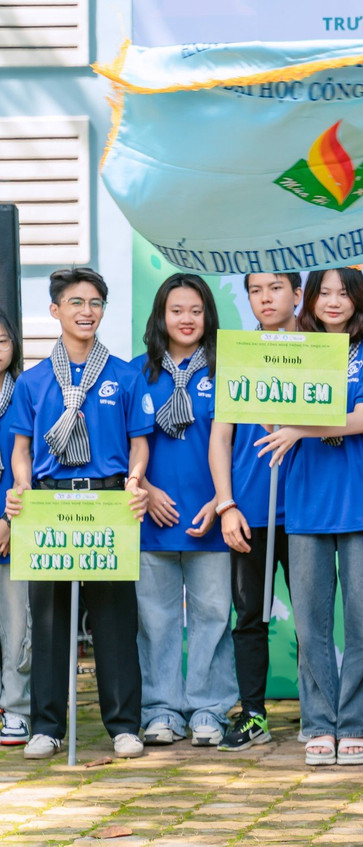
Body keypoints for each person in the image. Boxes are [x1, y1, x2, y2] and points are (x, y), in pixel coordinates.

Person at [254, 267, 363, 766]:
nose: (334, 302)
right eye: (325, 293)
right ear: (309, 299)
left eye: (344, 293)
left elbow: (362, 420)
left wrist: (299, 429)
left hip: (359, 499)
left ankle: (353, 724)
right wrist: (279, 416)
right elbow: (271, 415)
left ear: (358, 300)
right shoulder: (292, 346)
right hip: (308, 499)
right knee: (311, 622)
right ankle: (318, 724)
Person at [7, 267, 152, 760]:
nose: (86, 311)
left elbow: (139, 442)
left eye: (94, 303)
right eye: (75, 302)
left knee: (114, 620)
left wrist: (135, 482)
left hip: (108, 502)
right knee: (47, 622)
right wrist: (22, 490)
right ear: (55, 311)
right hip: (50, 505)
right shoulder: (33, 380)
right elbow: (21, 448)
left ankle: (123, 725)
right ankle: (47, 726)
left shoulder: (123, 375)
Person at [135, 274, 237, 747]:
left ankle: (208, 708)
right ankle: (159, 709)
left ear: (208, 316)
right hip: (150, 518)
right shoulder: (137, 373)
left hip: (210, 516)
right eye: (177, 310)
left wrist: (221, 501)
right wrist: (147, 489)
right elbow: (124, 446)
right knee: (155, 620)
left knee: (213, 616)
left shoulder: (225, 372)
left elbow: (232, 444)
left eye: (196, 310)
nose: (187, 319)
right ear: (161, 316)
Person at [208, 272, 301, 752]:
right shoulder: (238, 354)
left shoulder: (316, 351)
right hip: (250, 511)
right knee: (249, 616)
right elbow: (220, 438)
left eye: (276, 288)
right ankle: (254, 715)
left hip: (307, 510)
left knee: (313, 617)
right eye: (256, 291)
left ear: (297, 295)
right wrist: (226, 504)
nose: (266, 298)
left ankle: (322, 715)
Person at [0, 310, 31, 746]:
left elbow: (30, 462)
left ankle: (18, 708)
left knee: (17, 626)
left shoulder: (24, 393)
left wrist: (9, 519)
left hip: (16, 524)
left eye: (2, 340)